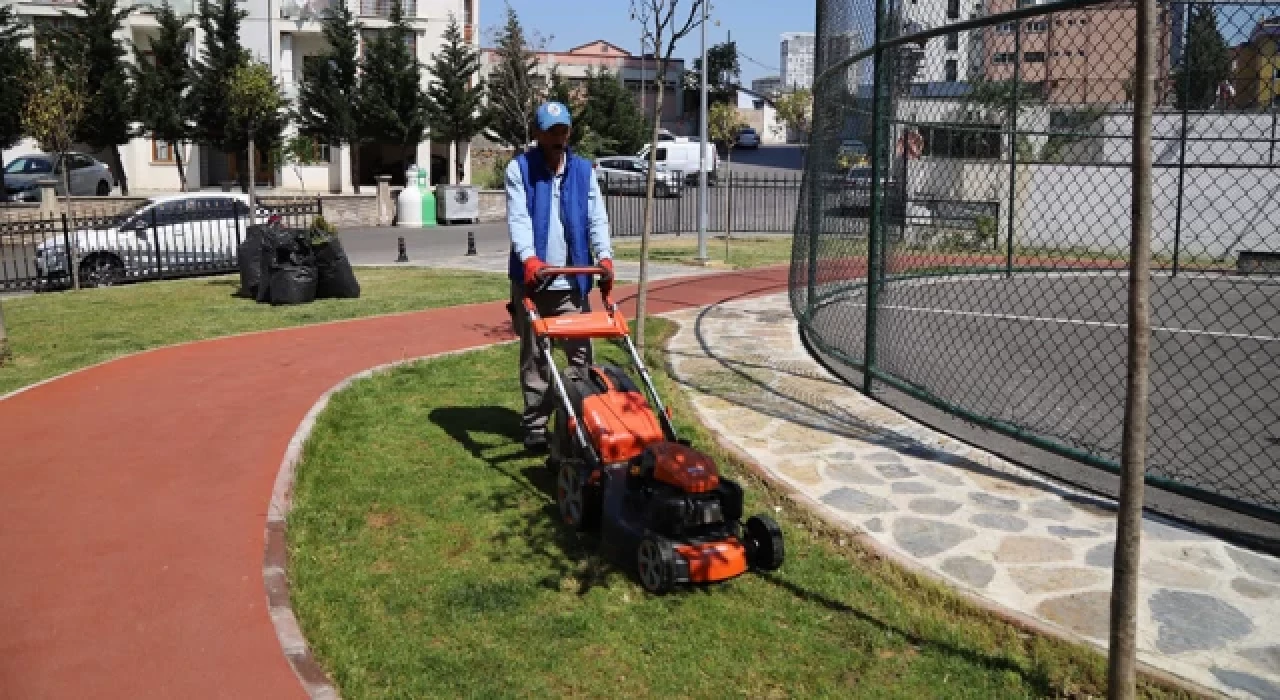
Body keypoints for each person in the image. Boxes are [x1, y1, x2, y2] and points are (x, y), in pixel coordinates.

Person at [506, 100, 615, 453]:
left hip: (574, 279)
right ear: (537, 134)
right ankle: (536, 425)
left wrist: (605, 257)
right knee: (536, 356)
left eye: (563, 132)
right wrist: (530, 259)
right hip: (535, 281)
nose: (558, 139)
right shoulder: (520, 169)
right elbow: (519, 220)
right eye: (551, 132)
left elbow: (596, 218)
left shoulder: (583, 171)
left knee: (580, 357)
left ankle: (578, 419)